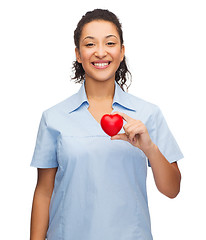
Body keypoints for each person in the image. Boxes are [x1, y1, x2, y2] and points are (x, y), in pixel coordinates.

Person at [30, 9, 184, 240]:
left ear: (121, 52)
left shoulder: (147, 115)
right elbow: (43, 192)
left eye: (110, 43)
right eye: (90, 44)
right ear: (78, 54)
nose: (100, 52)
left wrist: (149, 147)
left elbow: (172, 190)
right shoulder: (54, 117)